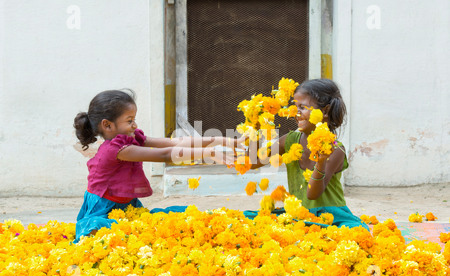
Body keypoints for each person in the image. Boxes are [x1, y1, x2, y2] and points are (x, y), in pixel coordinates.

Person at [73, 89, 240, 243]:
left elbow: (176, 142)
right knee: (109, 237)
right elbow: (165, 154)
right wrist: (209, 153)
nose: (135, 125)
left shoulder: (131, 138)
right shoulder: (115, 150)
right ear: (107, 125)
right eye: (129, 120)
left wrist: (223, 140)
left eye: (134, 119)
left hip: (127, 204)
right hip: (104, 206)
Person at [249, 79, 368, 231]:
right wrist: (254, 126)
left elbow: (313, 194)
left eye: (302, 107)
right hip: (298, 216)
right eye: (295, 106)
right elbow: (253, 162)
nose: (295, 113)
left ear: (324, 111)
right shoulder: (290, 140)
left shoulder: (335, 150)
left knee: (351, 233)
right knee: (248, 221)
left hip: (330, 217)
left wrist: (321, 161)